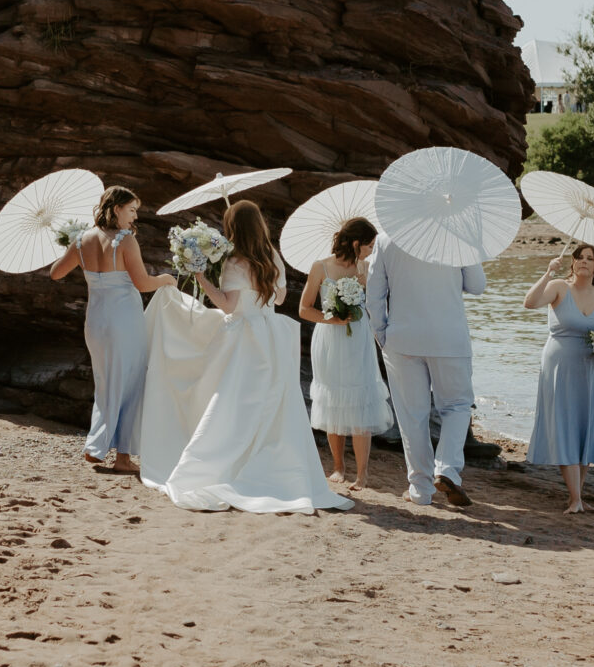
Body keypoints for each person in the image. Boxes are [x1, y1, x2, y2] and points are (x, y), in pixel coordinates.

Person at [134, 199, 347, 514]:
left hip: (243, 339)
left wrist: (202, 277)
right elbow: (280, 298)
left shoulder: (235, 262)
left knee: (233, 404)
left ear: (233, 228)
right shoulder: (272, 256)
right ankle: (271, 469)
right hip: (270, 336)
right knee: (271, 407)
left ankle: (227, 465)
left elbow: (228, 306)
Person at [48, 185, 169, 473]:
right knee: (130, 384)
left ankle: (96, 446)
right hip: (124, 320)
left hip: (96, 321)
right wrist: (165, 279)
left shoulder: (82, 240)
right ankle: (122, 458)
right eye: (131, 210)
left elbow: (55, 273)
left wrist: (70, 246)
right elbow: (143, 283)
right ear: (116, 209)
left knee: (105, 383)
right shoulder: (126, 240)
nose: (135, 217)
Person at [364, 226, 487, 508]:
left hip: (402, 339)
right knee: (457, 406)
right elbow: (478, 286)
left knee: (412, 416)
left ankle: (420, 490)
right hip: (449, 339)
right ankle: (447, 470)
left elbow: (374, 295)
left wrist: (382, 335)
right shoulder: (459, 236)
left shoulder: (386, 239)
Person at [298, 214, 392, 489]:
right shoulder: (320, 267)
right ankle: (338, 467)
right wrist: (334, 319)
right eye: (369, 245)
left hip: (358, 340)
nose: (372, 250)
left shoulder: (368, 268)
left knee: (361, 399)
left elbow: (380, 303)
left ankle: (362, 474)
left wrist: (366, 283)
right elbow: (304, 309)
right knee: (333, 400)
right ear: (355, 243)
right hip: (329, 339)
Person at [524, 243, 594, 512]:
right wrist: (547, 273)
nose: (584, 261)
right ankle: (575, 498)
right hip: (559, 367)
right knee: (564, 426)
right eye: (579, 257)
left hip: (591, 370)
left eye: (590, 258)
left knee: (586, 428)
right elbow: (529, 303)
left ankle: (576, 496)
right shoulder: (558, 287)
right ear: (573, 263)